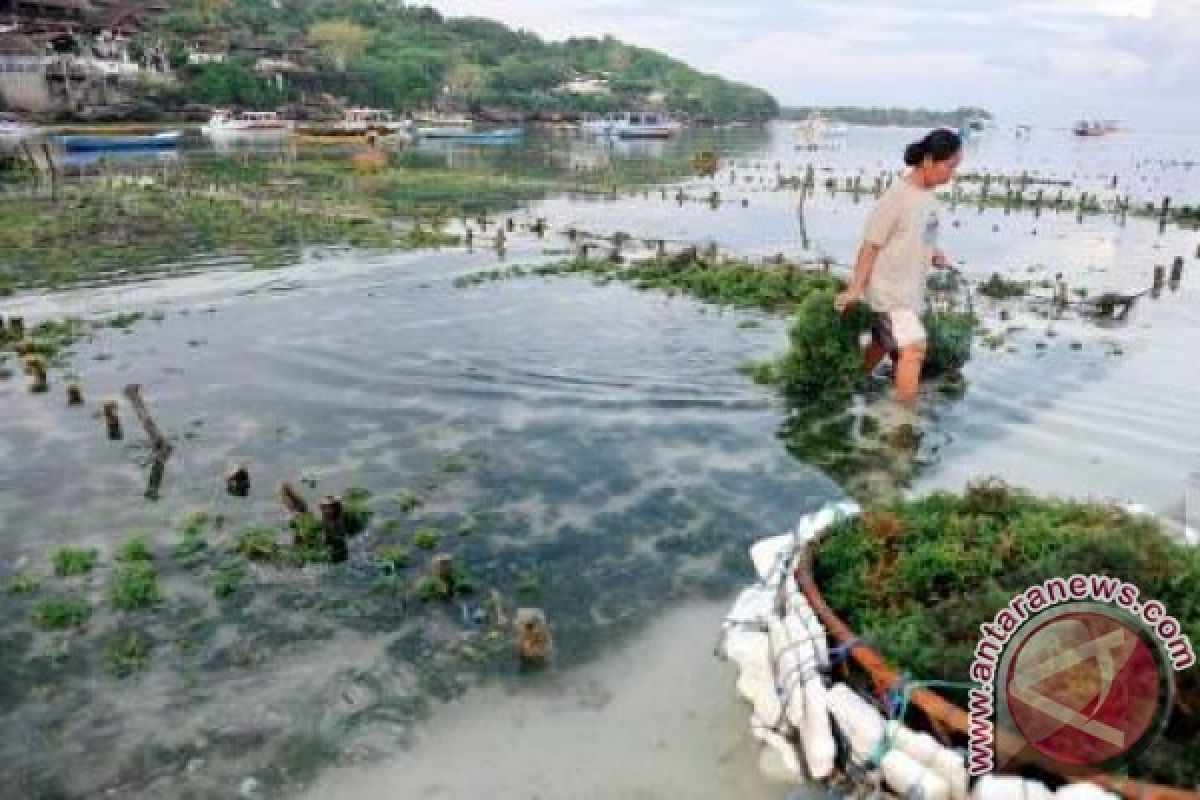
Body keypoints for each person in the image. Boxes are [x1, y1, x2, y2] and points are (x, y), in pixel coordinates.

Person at [834, 128, 963, 407]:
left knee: (882, 343)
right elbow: (871, 245)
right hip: (890, 290)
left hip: (910, 289)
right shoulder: (897, 196)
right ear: (929, 160)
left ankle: (847, 384)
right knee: (914, 349)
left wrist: (934, 254)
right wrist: (854, 289)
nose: (951, 174)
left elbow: (918, 237)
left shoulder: (929, 196)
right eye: (949, 166)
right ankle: (904, 421)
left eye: (955, 167)